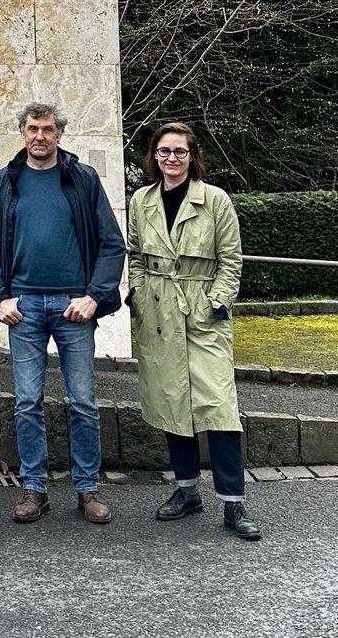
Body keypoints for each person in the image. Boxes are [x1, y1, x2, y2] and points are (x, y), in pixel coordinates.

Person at [0, 102, 125, 525]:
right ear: (22, 133)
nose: (39, 136)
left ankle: (87, 489)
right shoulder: (5, 182)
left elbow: (111, 244)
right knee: (26, 402)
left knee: (82, 402)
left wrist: (95, 296)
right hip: (22, 308)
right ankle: (34, 489)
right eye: (32, 129)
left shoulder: (81, 179)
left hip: (73, 306)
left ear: (58, 134)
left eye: (47, 129)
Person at [127, 122, 260, 540]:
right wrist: (137, 295)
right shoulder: (141, 200)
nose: (171, 159)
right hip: (159, 313)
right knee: (172, 403)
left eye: (180, 152)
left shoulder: (215, 200)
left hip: (204, 315)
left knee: (219, 407)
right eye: (164, 152)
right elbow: (133, 253)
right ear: (154, 156)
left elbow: (231, 259)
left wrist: (217, 302)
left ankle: (233, 502)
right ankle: (186, 491)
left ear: (192, 156)